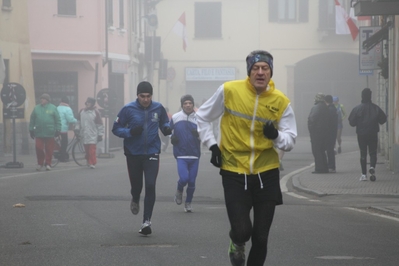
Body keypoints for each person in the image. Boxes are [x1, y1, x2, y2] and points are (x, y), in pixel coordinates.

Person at [196, 50, 297, 266]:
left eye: (265, 68)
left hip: (267, 173)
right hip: (234, 171)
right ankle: (236, 242)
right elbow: (202, 117)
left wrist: (276, 136)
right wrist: (212, 145)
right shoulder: (229, 90)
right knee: (242, 230)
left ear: (271, 72)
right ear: (249, 72)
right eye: (255, 68)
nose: (260, 73)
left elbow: (290, 139)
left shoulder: (281, 102)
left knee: (261, 237)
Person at [112, 81, 172, 236]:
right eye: (142, 96)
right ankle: (135, 197)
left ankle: (146, 221)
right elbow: (116, 128)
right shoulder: (128, 109)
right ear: (137, 96)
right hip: (133, 153)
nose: (145, 99)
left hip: (152, 152)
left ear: (152, 96)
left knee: (151, 185)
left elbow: (165, 122)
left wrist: (166, 128)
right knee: (137, 186)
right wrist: (130, 132)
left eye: (148, 96)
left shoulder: (158, 108)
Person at [170, 95, 201, 213]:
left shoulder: (199, 118)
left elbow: (205, 132)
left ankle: (188, 202)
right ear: (182, 105)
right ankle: (179, 190)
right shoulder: (176, 117)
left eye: (190, 103)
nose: (188, 105)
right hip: (181, 154)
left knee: (192, 182)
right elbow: (167, 130)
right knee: (184, 178)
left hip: (194, 155)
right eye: (185, 103)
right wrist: (172, 137)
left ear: (193, 104)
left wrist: (198, 134)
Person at [348, 88, 387, 181]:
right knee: (373, 152)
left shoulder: (357, 108)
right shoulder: (376, 108)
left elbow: (352, 122)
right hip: (373, 133)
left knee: (363, 153)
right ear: (370, 96)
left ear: (362, 96)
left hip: (361, 134)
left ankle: (363, 175)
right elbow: (383, 119)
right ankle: (372, 167)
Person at [29, 93, 61, 171]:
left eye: (43, 99)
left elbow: (57, 119)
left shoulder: (53, 108)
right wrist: (31, 129)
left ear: (47, 100)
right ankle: (40, 163)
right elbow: (32, 119)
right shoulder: (36, 108)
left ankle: (48, 163)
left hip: (50, 132)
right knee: (38, 148)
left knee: (49, 149)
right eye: (41, 99)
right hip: (39, 132)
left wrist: (58, 129)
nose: (41, 100)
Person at [74, 97, 104, 169]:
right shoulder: (82, 111)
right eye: (87, 102)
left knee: (92, 150)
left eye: (89, 102)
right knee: (87, 150)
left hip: (93, 134)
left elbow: (99, 124)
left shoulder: (95, 112)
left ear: (92, 104)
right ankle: (88, 160)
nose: (88, 103)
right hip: (84, 134)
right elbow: (78, 122)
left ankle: (92, 162)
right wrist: (77, 129)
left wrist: (100, 134)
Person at [307, 93, 330, 174]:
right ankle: (325, 167)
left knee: (316, 150)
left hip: (316, 133)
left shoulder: (316, 107)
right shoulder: (325, 107)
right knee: (322, 150)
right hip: (325, 133)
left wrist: (311, 130)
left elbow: (312, 119)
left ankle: (319, 168)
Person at [57, 96, 77, 162]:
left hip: (56, 128)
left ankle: (58, 151)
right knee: (64, 142)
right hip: (63, 128)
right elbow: (70, 119)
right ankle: (62, 157)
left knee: (58, 141)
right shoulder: (68, 109)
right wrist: (76, 121)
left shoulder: (57, 108)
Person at [325, 95, 338, 173]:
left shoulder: (329, 109)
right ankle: (331, 166)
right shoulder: (333, 108)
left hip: (330, 132)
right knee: (330, 149)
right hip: (333, 132)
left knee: (330, 150)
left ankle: (331, 166)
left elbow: (328, 122)